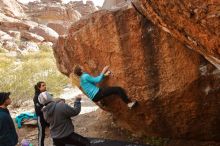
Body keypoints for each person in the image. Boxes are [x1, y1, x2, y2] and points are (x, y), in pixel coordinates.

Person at [73, 65, 137, 108]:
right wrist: (104, 70)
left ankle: (102, 102)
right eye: (81, 67)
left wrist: (104, 75)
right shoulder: (85, 76)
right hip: (97, 94)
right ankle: (129, 103)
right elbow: (97, 80)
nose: (82, 66)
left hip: (94, 97)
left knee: (106, 91)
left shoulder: (81, 80)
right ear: (81, 70)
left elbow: (93, 82)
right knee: (118, 89)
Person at [33, 81, 49, 146]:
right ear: (39, 88)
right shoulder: (36, 97)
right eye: (43, 85)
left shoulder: (45, 94)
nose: (45, 86)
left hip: (48, 116)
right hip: (41, 117)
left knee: (54, 130)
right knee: (41, 134)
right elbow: (39, 109)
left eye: (45, 85)